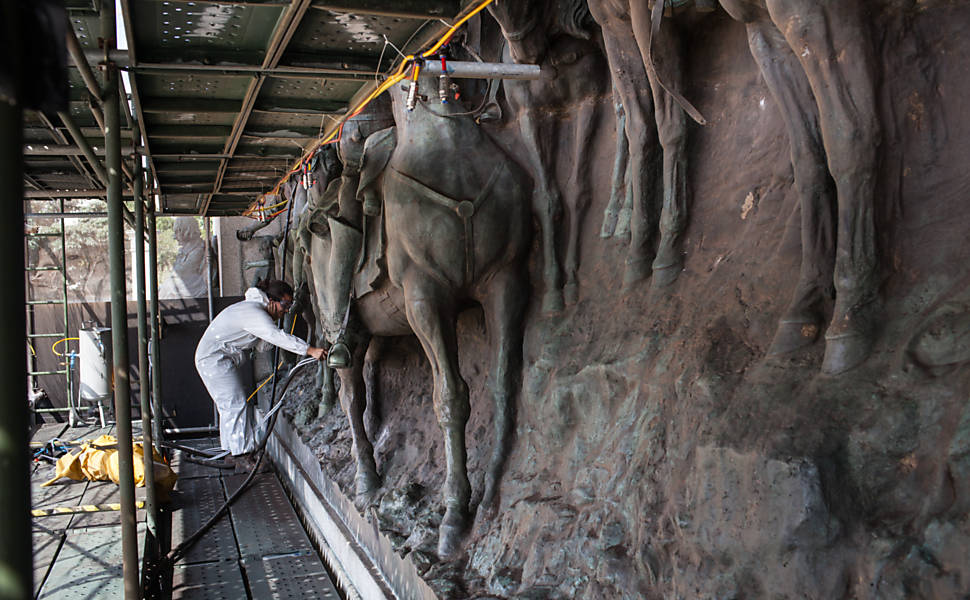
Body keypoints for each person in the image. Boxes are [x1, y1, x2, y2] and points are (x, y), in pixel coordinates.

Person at [194, 279, 326, 467]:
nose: (286, 310)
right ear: (271, 300)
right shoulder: (253, 312)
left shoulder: (256, 311)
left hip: (217, 359)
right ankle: (243, 455)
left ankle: (232, 451)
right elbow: (274, 336)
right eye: (285, 304)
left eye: (289, 306)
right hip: (213, 360)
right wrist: (309, 349)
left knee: (230, 405)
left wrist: (275, 326)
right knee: (235, 403)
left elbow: (264, 344)